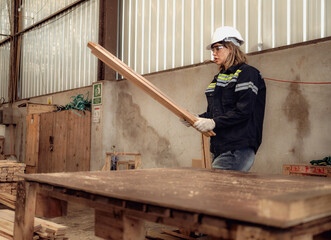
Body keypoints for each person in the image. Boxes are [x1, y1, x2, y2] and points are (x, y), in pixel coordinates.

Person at [181, 26, 266, 171]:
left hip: (237, 148)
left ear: (231, 48)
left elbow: (243, 111)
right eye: (212, 50)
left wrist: (213, 122)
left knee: (216, 190)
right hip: (220, 148)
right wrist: (195, 118)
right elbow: (216, 113)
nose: (214, 53)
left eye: (217, 48)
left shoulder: (247, 74)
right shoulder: (218, 79)